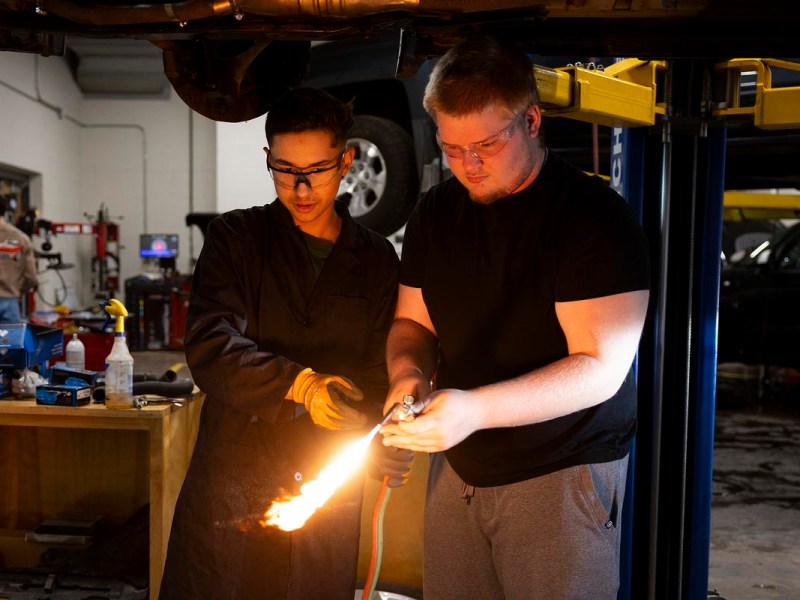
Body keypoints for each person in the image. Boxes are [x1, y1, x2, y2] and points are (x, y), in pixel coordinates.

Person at [379, 35, 651, 600]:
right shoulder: (436, 211)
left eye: (485, 144)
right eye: (452, 149)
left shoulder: (593, 218)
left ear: (531, 121)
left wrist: (475, 408)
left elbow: (601, 367)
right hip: (460, 469)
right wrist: (407, 377)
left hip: (560, 472)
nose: (468, 165)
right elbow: (413, 325)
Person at [159, 87, 399, 600]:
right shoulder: (235, 239)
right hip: (236, 478)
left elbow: (385, 368)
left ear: (347, 161)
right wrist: (300, 384)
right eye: (286, 170)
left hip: (325, 480)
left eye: (318, 169)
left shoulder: (377, 260)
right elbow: (210, 343)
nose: (303, 188)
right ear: (268, 159)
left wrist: (385, 434)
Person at [0, 196, 37, 323]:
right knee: (9, 342)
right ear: (5, 210)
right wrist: (15, 289)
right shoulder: (21, 238)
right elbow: (31, 277)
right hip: (9, 304)